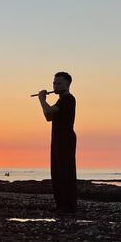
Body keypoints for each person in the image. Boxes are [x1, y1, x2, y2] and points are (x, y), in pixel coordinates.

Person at [37, 71, 77, 213]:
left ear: (67, 84)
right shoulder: (60, 101)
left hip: (65, 139)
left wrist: (41, 99)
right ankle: (61, 204)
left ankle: (68, 205)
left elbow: (48, 110)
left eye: (58, 83)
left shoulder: (68, 99)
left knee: (65, 171)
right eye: (54, 83)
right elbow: (49, 116)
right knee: (56, 171)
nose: (55, 85)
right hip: (57, 139)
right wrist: (43, 102)